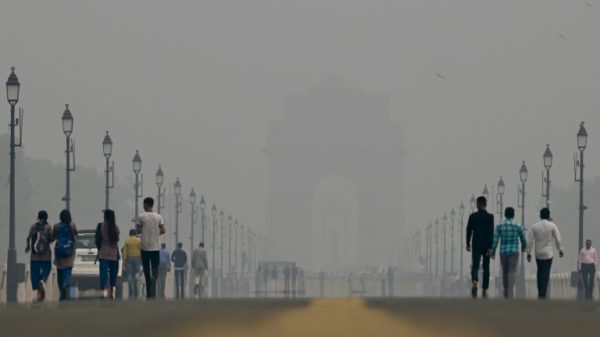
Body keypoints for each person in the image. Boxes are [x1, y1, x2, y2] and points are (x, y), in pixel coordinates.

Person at [488, 207, 527, 299]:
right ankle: (510, 290)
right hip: (514, 252)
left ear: (505, 214)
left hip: (503, 252)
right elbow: (523, 238)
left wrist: (492, 251)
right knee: (512, 271)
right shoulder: (517, 225)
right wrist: (524, 247)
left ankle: (505, 289)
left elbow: (495, 239)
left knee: (505, 271)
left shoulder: (500, 225)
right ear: (513, 215)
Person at [527, 208, 564, 299]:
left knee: (539, 272)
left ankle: (540, 290)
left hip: (538, 253)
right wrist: (560, 249)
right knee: (546, 273)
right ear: (548, 215)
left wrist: (528, 252)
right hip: (548, 253)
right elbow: (558, 238)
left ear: (540, 216)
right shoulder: (552, 225)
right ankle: (543, 291)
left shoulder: (534, 226)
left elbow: (530, 240)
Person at [136, 197, 166, 299]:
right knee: (155, 269)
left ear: (145, 204)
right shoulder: (158, 217)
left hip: (144, 247)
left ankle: (149, 291)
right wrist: (156, 234)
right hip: (155, 247)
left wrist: (145, 232)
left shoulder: (141, 216)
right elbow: (163, 230)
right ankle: (153, 287)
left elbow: (138, 231)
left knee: (146, 270)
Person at [466, 196, 494, 298]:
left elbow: (468, 230)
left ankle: (474, 281)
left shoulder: (473, 216)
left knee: (475, 265)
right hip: (486, 245)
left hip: (476, 244)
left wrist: (468, 244)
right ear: (485, 205)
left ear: (477, 205)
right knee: (486, 267)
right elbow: (491, 233)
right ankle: (485, 289)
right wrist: (491, 247)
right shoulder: (490, 217)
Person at [25, 210, 54, 302]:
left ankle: (38, 292)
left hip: (34, 255)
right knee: (48, 267)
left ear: (38, 217)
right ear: (46, 217)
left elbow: (28, 237)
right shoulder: (48, 227)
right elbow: (51, 239)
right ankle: (43, 279)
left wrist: (28, 247)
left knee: (35, 273)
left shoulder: (33, 226)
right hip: (46, 255)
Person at [53, 209, 78, 301]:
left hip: (59, 252)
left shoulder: (57, 226)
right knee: (68, 272)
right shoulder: (72, 226)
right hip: (69, 252)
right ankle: (66, 285)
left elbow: (52, 236)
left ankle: (61, 289)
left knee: (60, 272)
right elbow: (76, 234)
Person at [97, 209, 120, 299]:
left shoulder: (101, 226)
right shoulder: (115, 227)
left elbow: (98, 240)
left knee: (103, 273)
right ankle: (112, 291)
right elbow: (117, 239)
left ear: (105, 216)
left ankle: (103, 292)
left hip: (103, 253)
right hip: (113, 254)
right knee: (113, 273)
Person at [122, 228, 141, 299]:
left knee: (129, 274)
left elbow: (125, 252)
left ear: (129, 234)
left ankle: (130, 290)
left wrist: (124, 262)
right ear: (135, 233)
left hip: (129, 259)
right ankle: (136, 283)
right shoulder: (139, 241)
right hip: (137, 259)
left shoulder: (127, 241)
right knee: (137, 273)